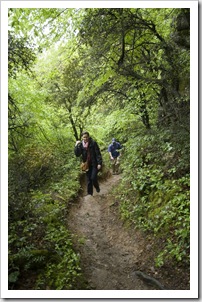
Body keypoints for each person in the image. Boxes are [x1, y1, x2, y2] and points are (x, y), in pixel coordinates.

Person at [74, 131, 102, 196]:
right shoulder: (81, 145)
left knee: (93, 177)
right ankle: (90, 193)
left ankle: (97, 187)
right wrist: (76, 145)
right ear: (82, 138)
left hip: (94, 164)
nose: (85, 139)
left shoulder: (93, 143)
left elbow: (98, 154)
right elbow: (77, 154)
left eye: (86, 137)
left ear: (88, 137)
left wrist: (99, 163)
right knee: (89, 179)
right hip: (87, 165)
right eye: (84, 137)